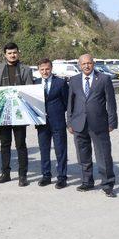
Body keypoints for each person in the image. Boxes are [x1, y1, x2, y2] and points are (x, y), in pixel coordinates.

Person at [67, 53, 118, 197]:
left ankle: (108, 184)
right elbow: (70, 103)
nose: (86, 66)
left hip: (100, 124)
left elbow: (111, 103)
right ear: (79, 65)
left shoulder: (104, 79)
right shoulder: (74, 80)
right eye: (83, 64)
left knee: (104, 155)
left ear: (93, 64)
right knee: (83, 155)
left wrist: (112, 122)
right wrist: (69, 122)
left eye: (89, 63)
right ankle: (87, 181)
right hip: (79, 123)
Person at [0, 42, 34, 187]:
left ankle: (23, 175)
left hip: (20, 112)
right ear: (5, 55)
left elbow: (29, 90)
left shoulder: (26, 69)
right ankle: (6, 173)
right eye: (9, 53)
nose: (12, 55)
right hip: (4, 112)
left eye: (14, 52)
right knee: (4, 144)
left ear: (18, 53)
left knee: (21, 145)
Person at [36, 58, 69, 189]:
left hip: (58, 121)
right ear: (38, 70)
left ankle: (62, 177)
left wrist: (57, 112)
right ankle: (46, 175)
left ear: (51, 69)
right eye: (42, 69)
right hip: (41, 123)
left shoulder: (60, 83)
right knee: (44, 150)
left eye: (47, 69)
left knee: (60, 150)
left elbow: (67, 103)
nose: (45, 71)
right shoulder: (35, 84)